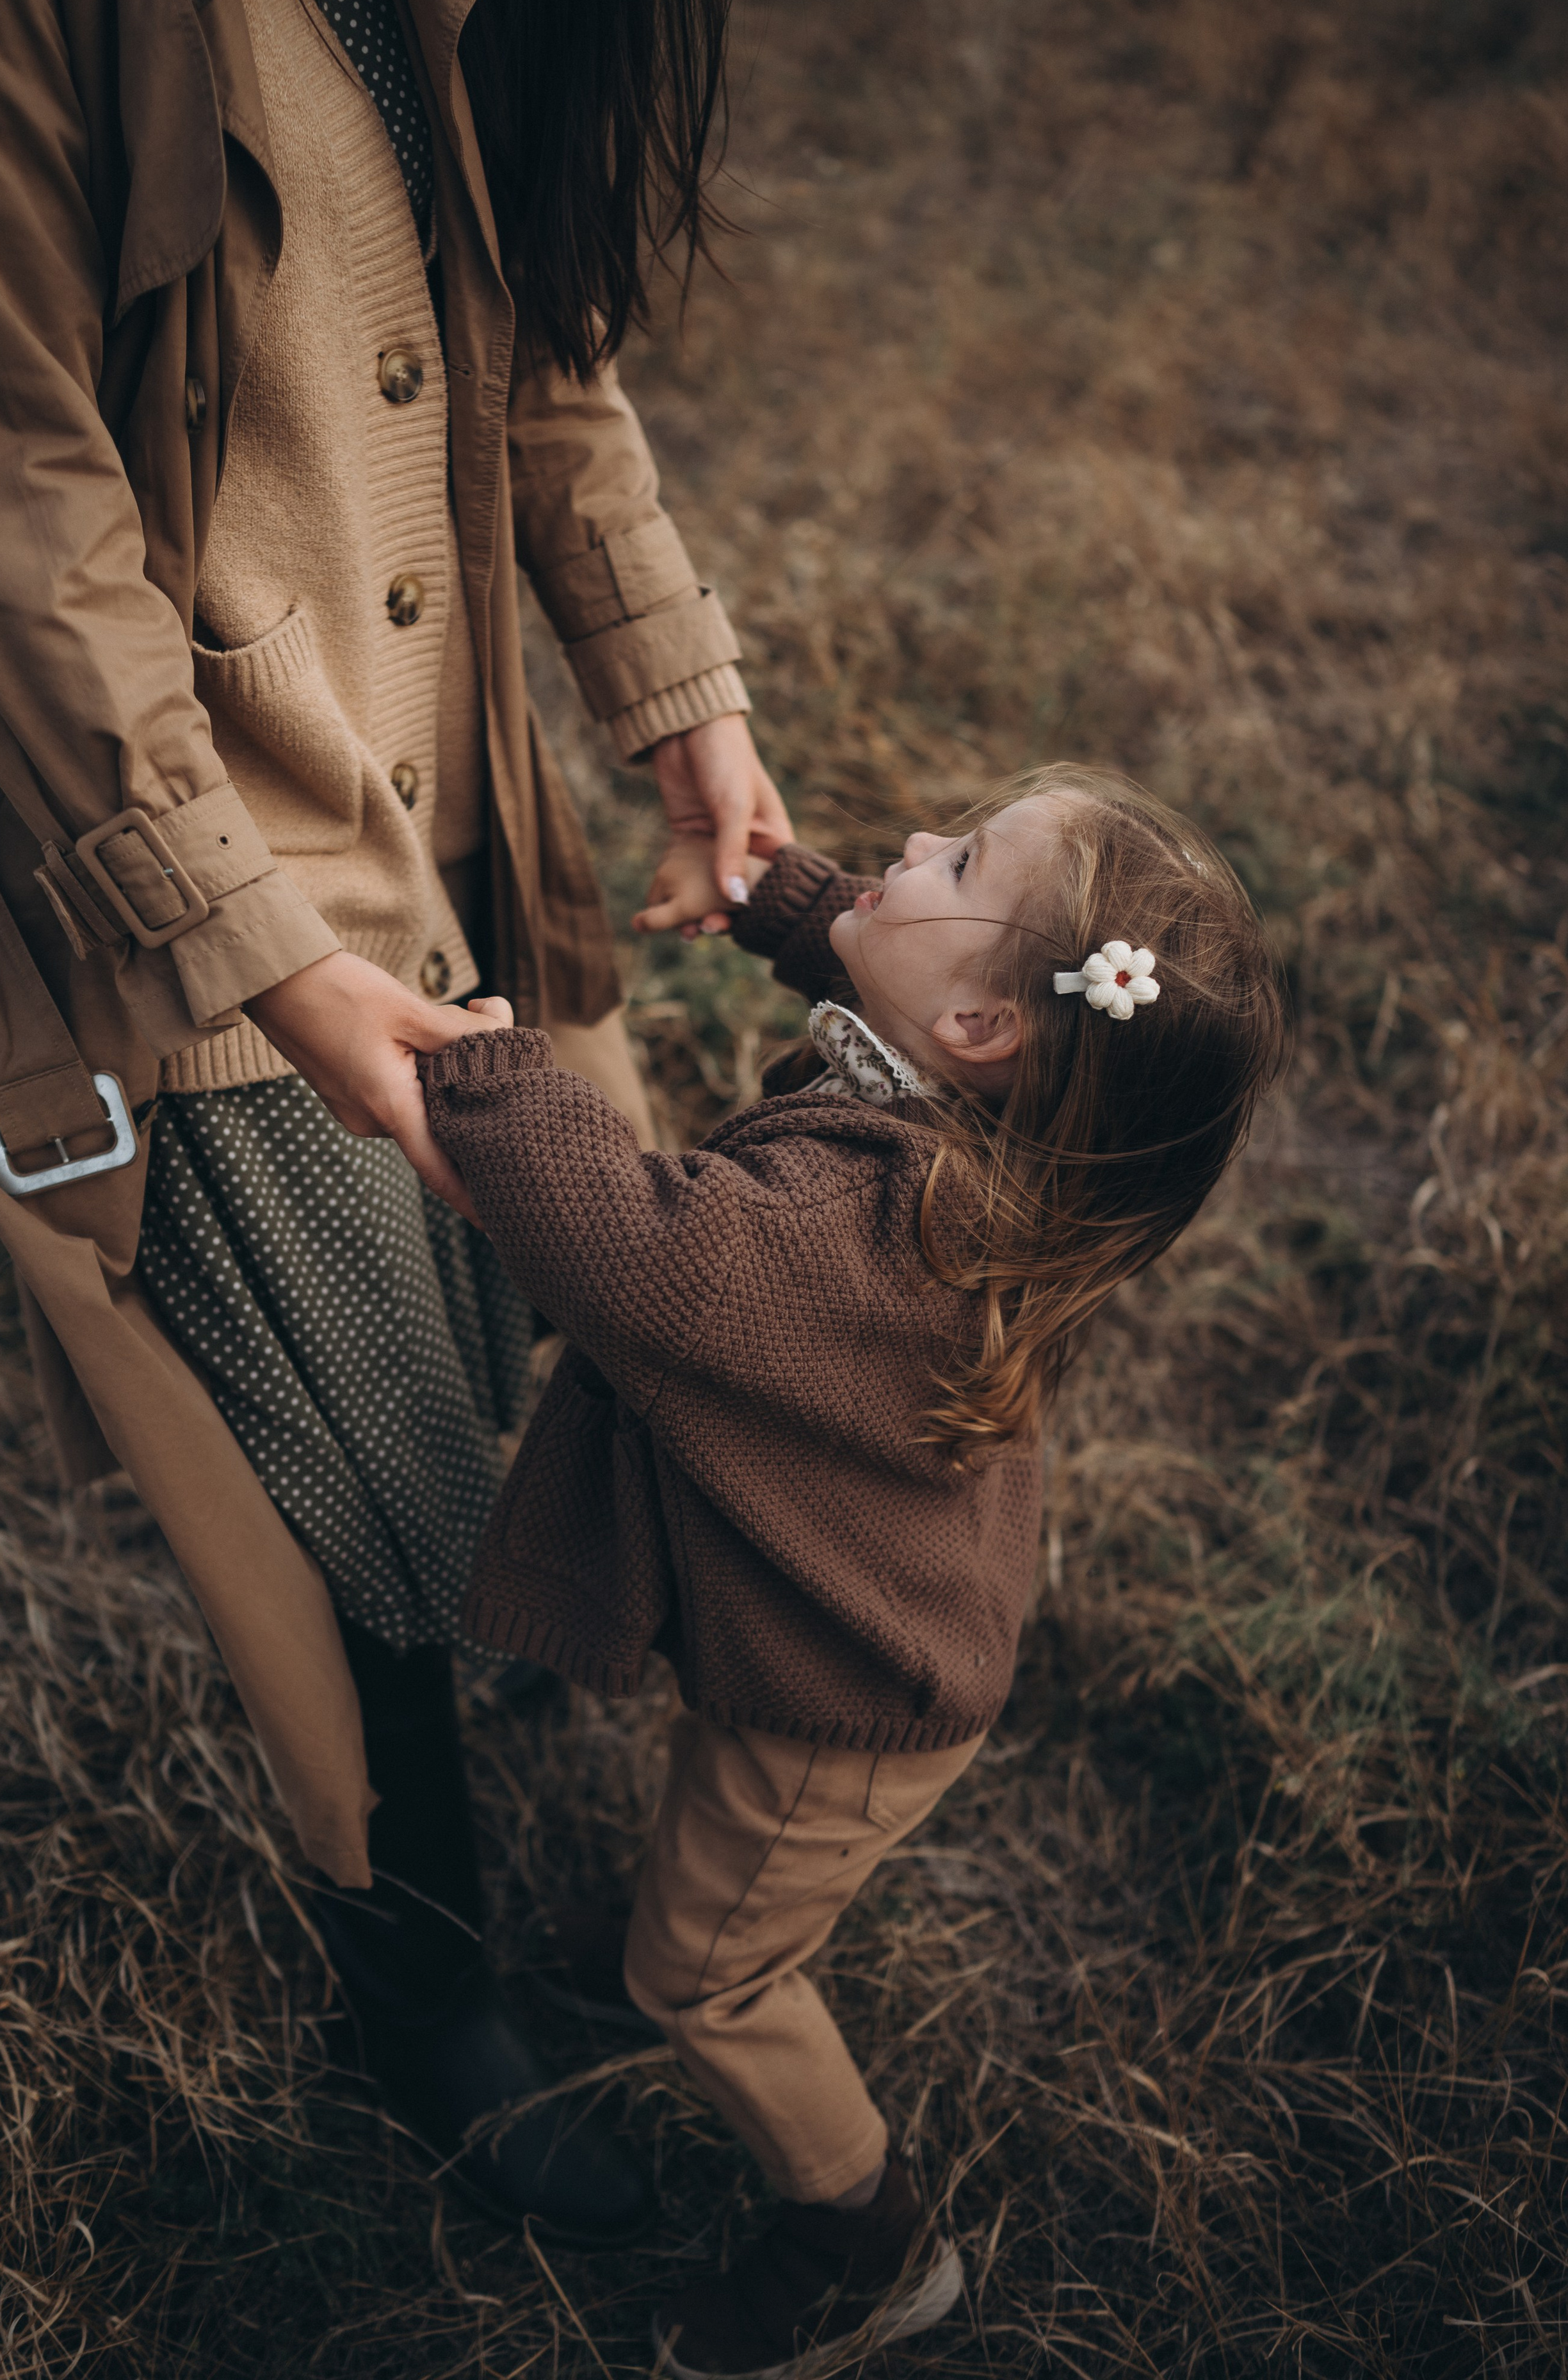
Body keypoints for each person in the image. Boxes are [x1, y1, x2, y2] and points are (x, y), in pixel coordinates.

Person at [0, 0, 791, 2242]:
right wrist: (247, 939)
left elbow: (531, 352)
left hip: (452, 806)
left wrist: (670, 679)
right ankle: (425, 1994)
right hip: (181, 866)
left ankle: (477, 1706)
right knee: (350, 1490)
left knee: (499, 1345)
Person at [422, 765, 1290, 2372]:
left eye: (952, 856)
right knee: (712, 1882)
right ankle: (741, 1977)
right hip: (861, 1621)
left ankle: (860, 2240)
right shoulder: (1015, 1135)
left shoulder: (864, 1226)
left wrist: (490, 1075)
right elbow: (908, 991)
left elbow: (636, 1254)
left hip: (840, 1697)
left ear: (983, 1034)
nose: (907, 845)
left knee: (701, 1968)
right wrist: (802, 906)